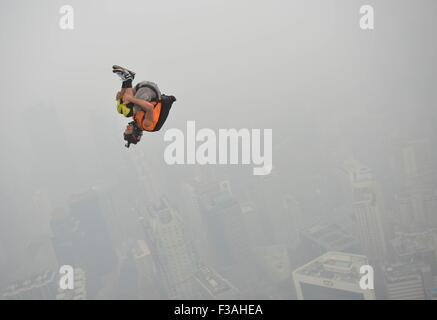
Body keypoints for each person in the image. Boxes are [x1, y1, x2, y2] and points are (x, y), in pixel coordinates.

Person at [113, 65, 177, 148]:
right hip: (150, 90)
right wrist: (130, 99)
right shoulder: (146, 125)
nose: (127, 126)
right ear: (135, 132)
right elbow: (150, 107)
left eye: (126, 128)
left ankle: (127, 79)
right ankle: (128, 79)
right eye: (128, 129)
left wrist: (120, 97)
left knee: (121, 110)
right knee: (128, 111)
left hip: (142, 88)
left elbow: (125, 99)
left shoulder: (136, 119)